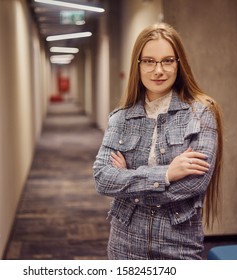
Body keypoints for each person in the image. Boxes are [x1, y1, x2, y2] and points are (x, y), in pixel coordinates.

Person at [93, 22, 223, 260]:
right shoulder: (121, 117)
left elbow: (194, 184)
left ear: (179, 64)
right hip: (125, 244)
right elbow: (103, 178)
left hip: (178, 244)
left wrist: (128, 181)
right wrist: (166, 175)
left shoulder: (201, 113)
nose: (158, 70)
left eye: (167, 61)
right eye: (149, 61)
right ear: (138, 65)